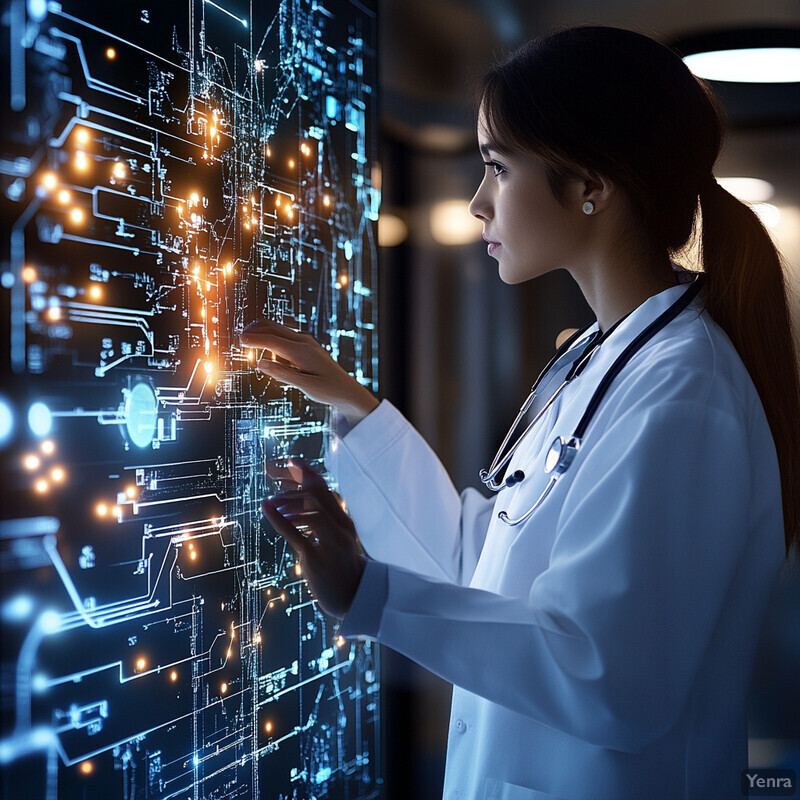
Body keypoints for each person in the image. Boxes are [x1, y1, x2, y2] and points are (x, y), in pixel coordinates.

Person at [241, 25, 800, 800]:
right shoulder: (595, 362)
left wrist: (371, 593)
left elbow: (610, 674)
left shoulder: (685, 391)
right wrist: (352, 404)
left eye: (498, 168)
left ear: (590, 186)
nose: (476, 202)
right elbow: (488, 571)